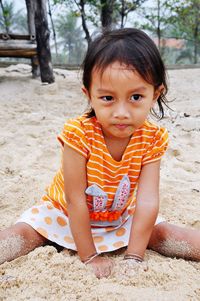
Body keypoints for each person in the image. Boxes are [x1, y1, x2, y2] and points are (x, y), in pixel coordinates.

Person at [0, 28, 199, 279]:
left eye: (136, 97)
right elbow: (75, 200)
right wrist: (90, 256)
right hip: (64, 214)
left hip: (119, 217)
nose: (121, 112)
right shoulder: (78, 134)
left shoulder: (151, 138)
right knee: (23, 235)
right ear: (89, 95)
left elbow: (147, 200)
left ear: (155, 94)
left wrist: (135, 256)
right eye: (107, 98)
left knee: (166, 235)